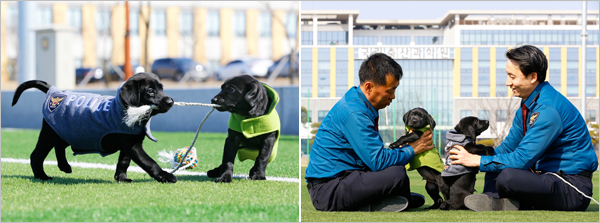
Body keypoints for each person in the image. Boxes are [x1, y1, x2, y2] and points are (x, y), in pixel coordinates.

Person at [449, 45, 598, 211]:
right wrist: (473, 155)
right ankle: (492, 200)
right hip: (547, 179)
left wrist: (477, 161)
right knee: (495, 159)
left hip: (571, 187)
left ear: (533, 77)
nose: (507, 82)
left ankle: (504, 201)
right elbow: (508, 147)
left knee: (507, 175)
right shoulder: (528, 104)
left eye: (512, 76)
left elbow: (522, 159)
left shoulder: (548, 109)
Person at [305, 53, 434, 212]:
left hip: (343, 179)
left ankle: (394, 196)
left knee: (396, 173)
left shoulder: (361, 104)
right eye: (390, 90)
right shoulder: (355, 113)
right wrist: (412, 149)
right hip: (328, 190)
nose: (393, 96)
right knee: (397, 174)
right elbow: (377, 160)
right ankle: (378, 201)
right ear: (368, 87)